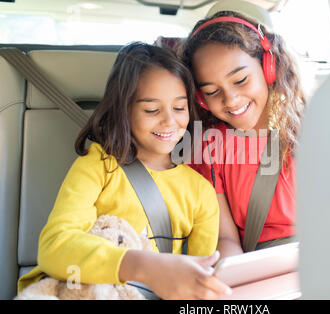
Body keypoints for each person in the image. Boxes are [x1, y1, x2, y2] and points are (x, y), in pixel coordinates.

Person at [18, 42, 231, 300]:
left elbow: (198, 281)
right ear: (123, 109)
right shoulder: (99, 166)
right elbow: (55, 245)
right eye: (151, 109)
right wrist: (145, 267)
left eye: (179, 108)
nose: (169, 121)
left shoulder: (200, 192)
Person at [181, 10, 305, 258]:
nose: (231, 99)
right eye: (212, 92)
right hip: (260, 268)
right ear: (200, 99)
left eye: (240, 80)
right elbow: (225, 239)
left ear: (269, 67)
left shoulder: (313, 128)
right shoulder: (207, 149)